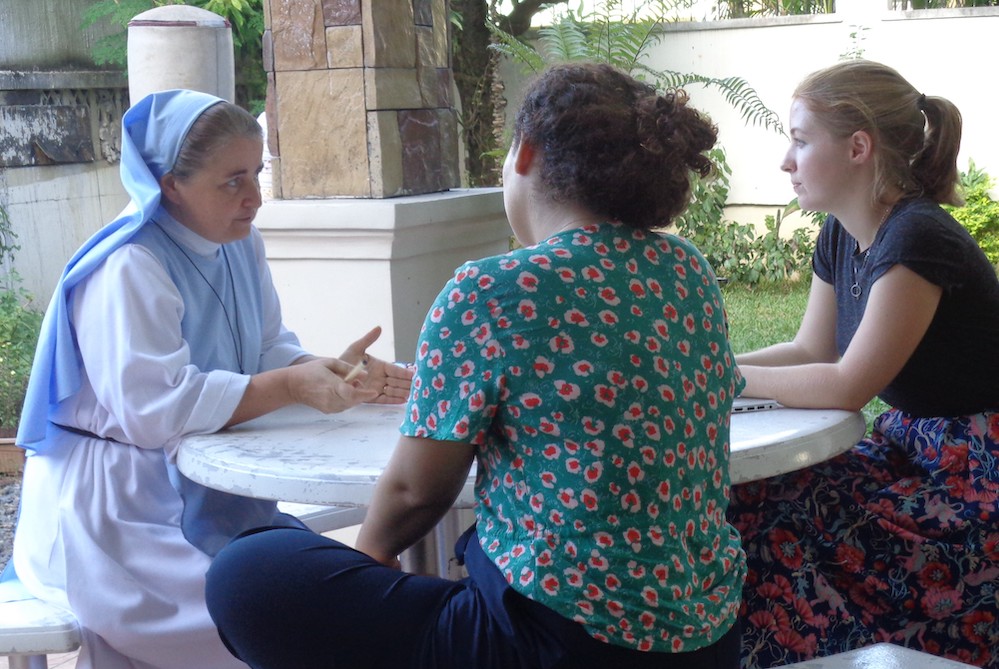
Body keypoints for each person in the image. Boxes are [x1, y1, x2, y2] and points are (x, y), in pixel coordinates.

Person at [205, 62, 747, 669]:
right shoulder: (686, 269)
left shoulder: (495, 290)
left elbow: (416, 491)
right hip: (706, 639)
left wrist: (365, 567)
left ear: (526, 155)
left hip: (555, 642)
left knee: (249, 570)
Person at [1, 89, 413, 669]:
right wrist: (294, 387)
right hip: (122, 517)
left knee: (322, 593)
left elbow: (268, 346)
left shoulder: (239, 244)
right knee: (286, 613)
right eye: (233, 180)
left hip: (214, 494)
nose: (254, 198)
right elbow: (153, 412)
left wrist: (330, 375)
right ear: (170, 184)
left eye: (258, 173)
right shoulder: (130, 266)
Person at [727, 59, 999, 668]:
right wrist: (702, 362)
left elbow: (849, 383)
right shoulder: (841, 234)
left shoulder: (917, 237)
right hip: (921, 452)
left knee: (774, 525)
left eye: (799, 140)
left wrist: (712, 379)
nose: (785, 160)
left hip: (975, 474)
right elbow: (809, 351)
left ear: (858, 147)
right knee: (749, 501)